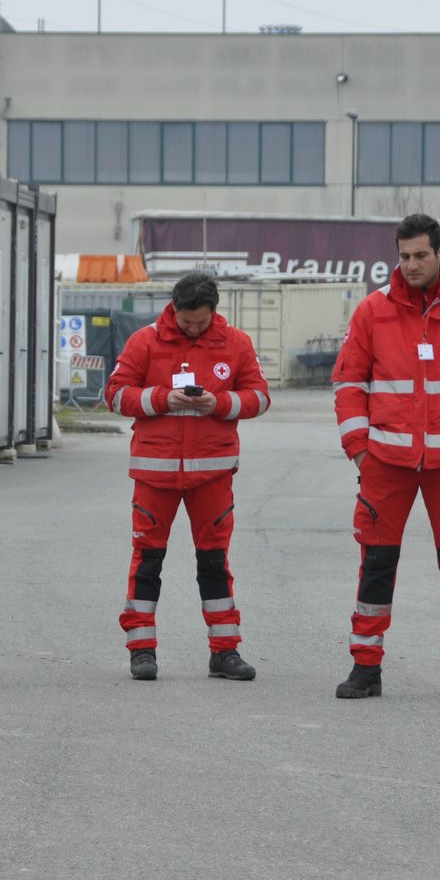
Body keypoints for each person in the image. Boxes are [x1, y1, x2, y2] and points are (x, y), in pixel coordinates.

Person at [330, 213, 440, 702]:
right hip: (384, 464)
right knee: (376, 564)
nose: (410, 265)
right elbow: (348, 384)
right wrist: (361, 453)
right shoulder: (372, 311)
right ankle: (365, 667)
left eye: (420, 256)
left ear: (438, 254)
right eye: (404, 256)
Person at [104, 271, 270, 682]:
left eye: (200, 322)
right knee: (147, 561)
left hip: (212, 476)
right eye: (186, 321)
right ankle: (141, 650)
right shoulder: (144, 341)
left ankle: (225, 651)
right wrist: (162, 398)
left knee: (214, 562)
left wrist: (219, 403)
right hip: (155, 474)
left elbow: (260, 396)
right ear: (173, 309)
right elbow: (115, 394)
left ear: (214, 312)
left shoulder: (236, 343)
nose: (193, 328)